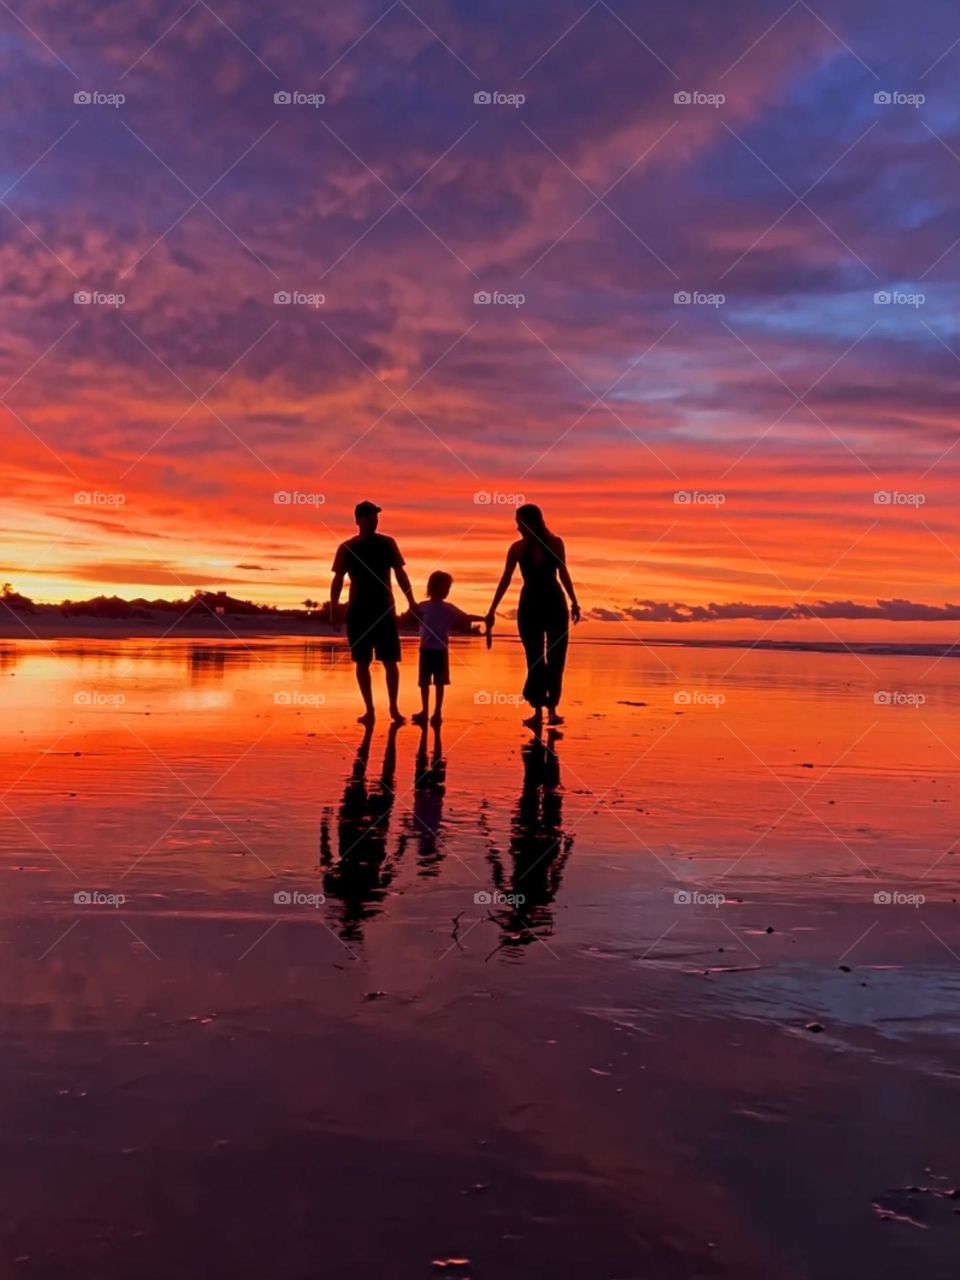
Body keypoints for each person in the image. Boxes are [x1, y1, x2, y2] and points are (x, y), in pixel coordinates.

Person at [486, 503, 580, 729]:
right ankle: (537, 711)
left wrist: (574, 601)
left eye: (519, 523)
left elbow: (563, 572)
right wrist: (491, 610)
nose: (517, 527)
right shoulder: (517, 549)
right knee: (535, 658)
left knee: (556, 656)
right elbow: (505, 579)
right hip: (529, 605)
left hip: (555, 603)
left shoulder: (556, 543)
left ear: (531, 522)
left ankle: (552, 710)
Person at [330, 500, 416, 725]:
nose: (374, 522)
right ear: (358, 520)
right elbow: (338, 579)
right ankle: (369, 710)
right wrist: (333, 607)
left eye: (376, 518)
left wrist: (412, 601)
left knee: (390, 661)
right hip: (358, 611)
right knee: (361, 661)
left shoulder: (388, 543)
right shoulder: (347, 548)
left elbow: (400, 574)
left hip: (384, 610)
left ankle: (394, 709)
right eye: (370, 518)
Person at [412, 570, 487, 727]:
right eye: (444, 588)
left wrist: (484, 619)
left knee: (440, 683)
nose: (446, 592)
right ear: (433, 588)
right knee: (424, 682)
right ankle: (425, 711)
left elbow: (466, 616)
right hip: (425, 649)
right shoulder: (422, 607)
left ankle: (437, 712)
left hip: (440, 650)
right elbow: (412, 617)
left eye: (448, 589)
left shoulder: (448, 608)